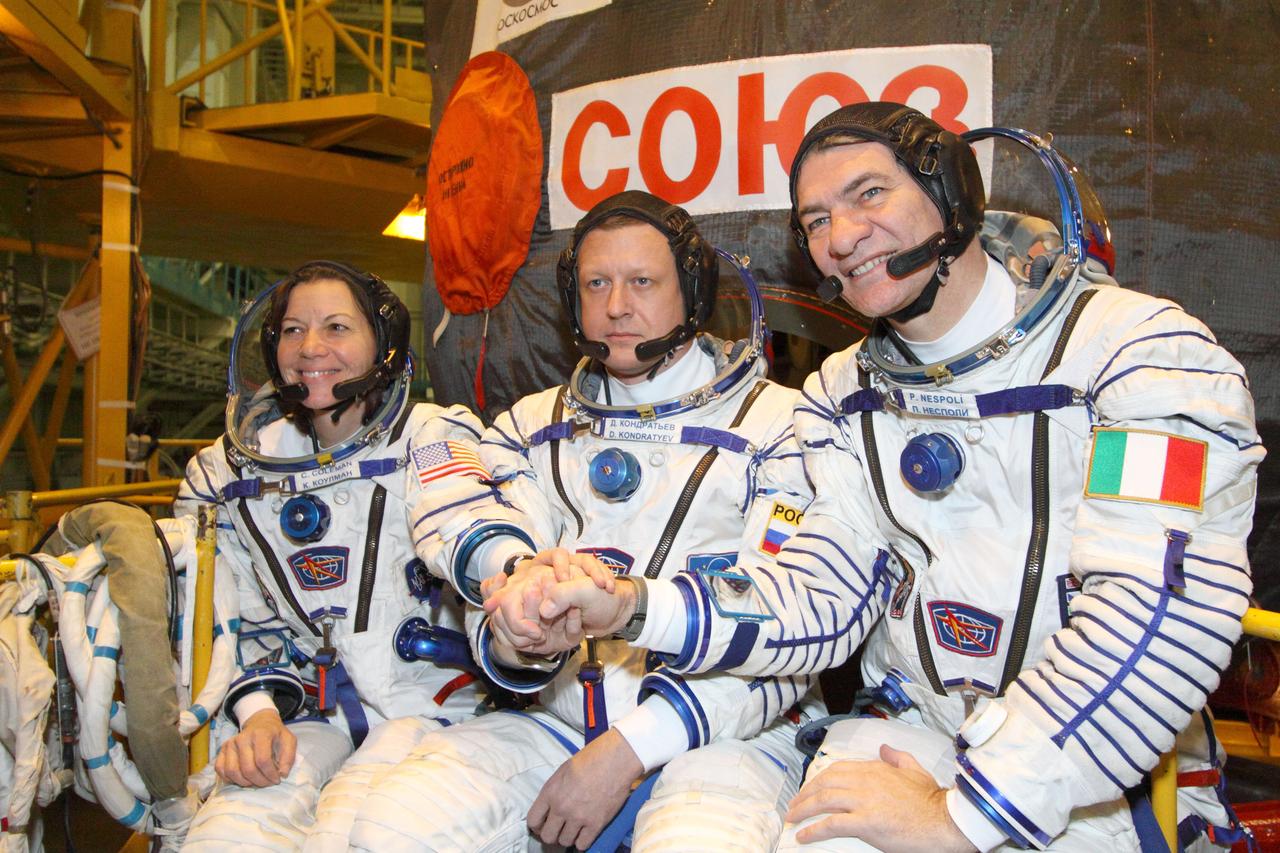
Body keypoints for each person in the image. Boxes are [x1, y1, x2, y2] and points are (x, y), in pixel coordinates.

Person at [516, 104, 1263, 851]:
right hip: (916, 733)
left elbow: (1153, 615)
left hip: (1096, 768)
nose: (841, 238)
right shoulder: (845, 397)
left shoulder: (1139, 356)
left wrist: (966, 816)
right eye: (815, 220)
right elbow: (814, 599)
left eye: (869, 194)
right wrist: (633, 605)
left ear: (952, 194)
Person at [349, 191, 820, 851]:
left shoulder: (784, 428)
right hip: (556, 714)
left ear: (692, 292)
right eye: (597, 283)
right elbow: (496, 578)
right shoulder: (529, 428)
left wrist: (629, 748)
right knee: (391, 830)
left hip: (728, 727)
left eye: (642, 282)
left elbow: (792, 630)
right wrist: (518, 632)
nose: (617, 306)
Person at [175, 260, 498, 851]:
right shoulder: (226, 474)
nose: (311, 347)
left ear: (382, 345)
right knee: (225, 833)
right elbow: (227, 620)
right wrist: (258, 713)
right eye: (293, 330)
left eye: (337, 328)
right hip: (305, 711)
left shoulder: (433, 438)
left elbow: (475, 537)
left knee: (353, 833)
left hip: (428, 710)